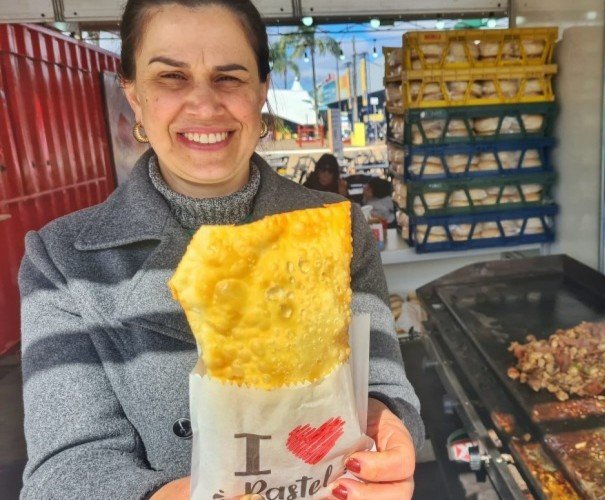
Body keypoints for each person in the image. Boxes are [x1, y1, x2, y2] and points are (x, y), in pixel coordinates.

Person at [17, 1, 422, 499]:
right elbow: (65, 471)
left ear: (261, 93)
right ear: (134, 96)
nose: (204, 106)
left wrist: (388, 431)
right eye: (171, 77)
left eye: (229, 78)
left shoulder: (338, 228)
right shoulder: (62, 260)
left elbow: (384, 385)